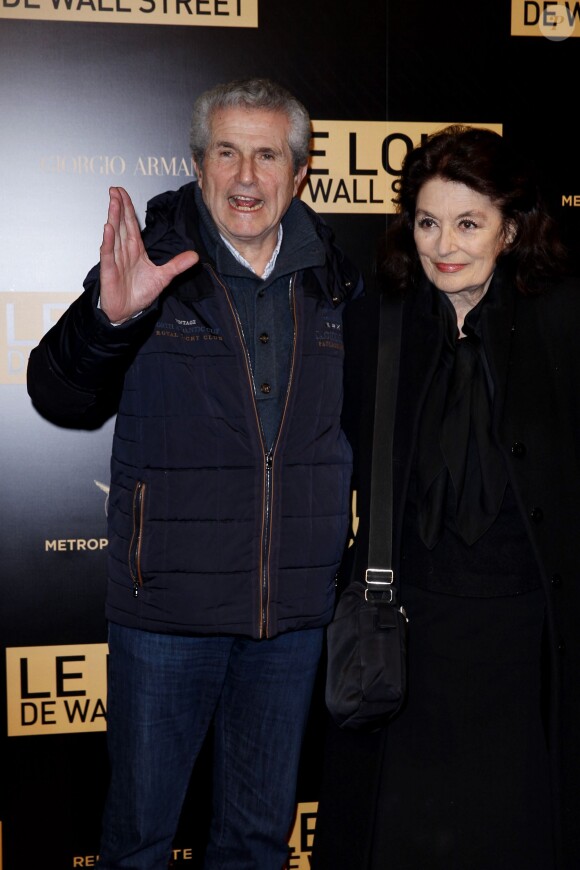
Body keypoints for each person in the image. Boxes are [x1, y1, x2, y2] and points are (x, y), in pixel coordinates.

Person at [26, 77, 362, 870]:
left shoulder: (336, 282)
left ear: (301, 171)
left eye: (267, 156)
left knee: (254, 844)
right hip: (166, 612)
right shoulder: (150, 262)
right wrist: (113, 320)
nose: (247, 177)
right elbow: (58, 390)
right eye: (227, 152)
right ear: (199, 163)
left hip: (289, 619)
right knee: (138, 841)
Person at [311, 125, 580, 870]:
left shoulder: (562, 322)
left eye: (469, 223)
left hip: (528, 648)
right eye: (428, 222)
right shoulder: (379, 323)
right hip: (407, 640)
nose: (443, 244)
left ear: (513, 228)